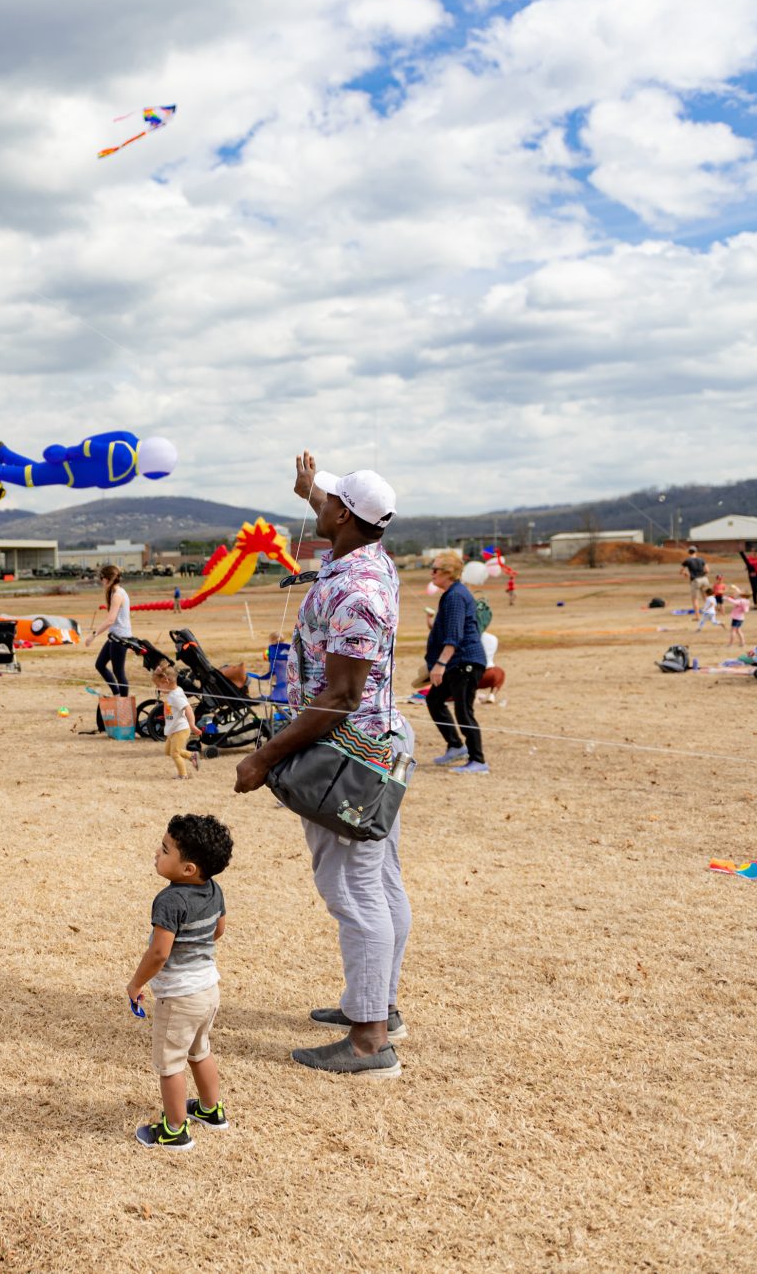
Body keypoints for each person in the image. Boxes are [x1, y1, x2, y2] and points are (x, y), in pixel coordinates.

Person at [233, 456, 409, 1079]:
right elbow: (337, 511)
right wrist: (311, 488)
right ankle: (377, 1009)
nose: (319, 503)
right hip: (367, 745)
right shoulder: (367, 556)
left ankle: (369, 1044)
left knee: (357, 893)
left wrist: (264, 756)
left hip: (349, 759)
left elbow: (339, 697)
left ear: (344, 516)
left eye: (327, 499)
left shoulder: (356, 591)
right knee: (381, 883)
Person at [126, 813, 232, 1149]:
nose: (157, 853)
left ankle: (174, 1130)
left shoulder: (170, 900)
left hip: (181, 997)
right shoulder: (213, 889)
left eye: (165, 849)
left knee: (170, 1063)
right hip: (208, 989)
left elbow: (159, 953)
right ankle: (211, 1110)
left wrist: (135, 984)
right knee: (200, 1051)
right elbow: (219, 929)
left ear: (188, 869)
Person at [424, 552, 488, 773]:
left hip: (465, 662)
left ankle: (478, 761)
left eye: (435, 569)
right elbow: (450, 629)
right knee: (434, 700)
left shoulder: (455, 596)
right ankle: (455, 745)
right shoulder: (452, 594)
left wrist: (440, 664)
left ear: (448, 573)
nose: (431, 573)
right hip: (456, 662)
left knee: (464, 711)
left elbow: (455, 636)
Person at [90, 565, 133, 698]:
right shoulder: (116, 592)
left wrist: (93, 635)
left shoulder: (117, 595)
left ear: (108, 579)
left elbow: (110, 620)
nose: (101, 581)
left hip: (120, 638)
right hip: (114, 636)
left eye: (101, 578)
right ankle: (117, 694)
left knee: (119, 672)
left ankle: (124, 703)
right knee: (100, 664)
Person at [155, 664, 194, 780]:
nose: (157, 688)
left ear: (166, 681)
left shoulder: (175, 696)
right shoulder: (172, 693)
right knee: (168, 751)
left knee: (175, 753)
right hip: (173, 728)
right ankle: (192, 756)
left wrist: (192, 724)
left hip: (180, 729)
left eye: (158, 685)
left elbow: (188, 708)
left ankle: (183, 775)